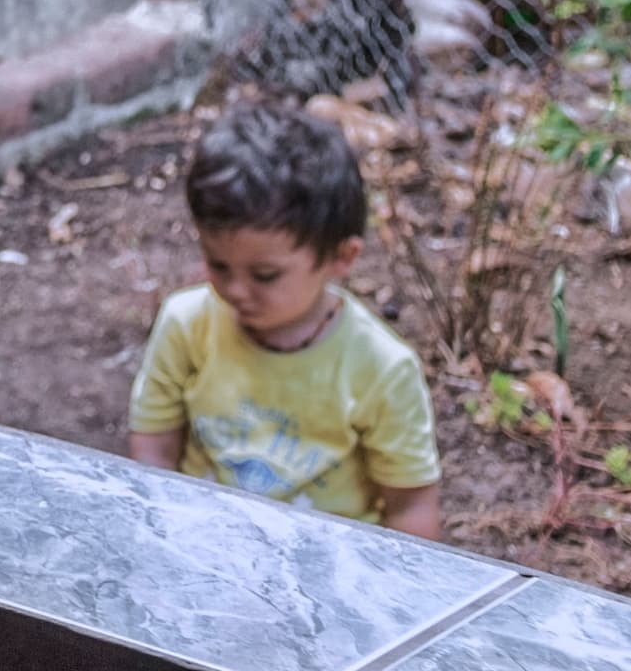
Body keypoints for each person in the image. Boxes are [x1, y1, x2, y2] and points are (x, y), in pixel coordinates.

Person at [127, 104, 441, 534]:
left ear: (341, 257)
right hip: (202, 542)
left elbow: (411, 507)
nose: (236, 290)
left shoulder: (382, 368)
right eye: (219, 265)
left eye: (265, 275)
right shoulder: (186, 324)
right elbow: (154, 447)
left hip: (329, 561)